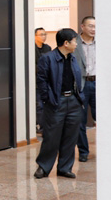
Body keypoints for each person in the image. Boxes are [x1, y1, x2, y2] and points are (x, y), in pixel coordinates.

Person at [34, 28, 83, 179]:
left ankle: (64, 168)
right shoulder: (47, 58)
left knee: (70, 137)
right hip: (56, 102)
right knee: (51, 137)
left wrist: (79, 97)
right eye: (74, 41)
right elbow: (41, 81)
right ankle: (43, 167)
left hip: (73, 101)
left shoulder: (73, 58)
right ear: (66, 43)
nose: (76, 44)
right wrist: (48, 99)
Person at [73, 16, 96, 162]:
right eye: (90, 26)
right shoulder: (74, 43)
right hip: (81, 85)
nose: (94, 29)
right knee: (80, 120)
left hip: (98, 84)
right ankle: (83, 151)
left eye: (95, 26)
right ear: (82, 27)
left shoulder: (102, 42)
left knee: (103, 118)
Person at [34, 27, 52, 133]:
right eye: (41, 34)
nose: (43, 37)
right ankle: (41, 127)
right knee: (39, 105)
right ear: (35, 36)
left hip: (46, 80)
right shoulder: (31, 48)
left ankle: (44, 125)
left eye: (45, 34)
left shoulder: (47, 48)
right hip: (35, 81)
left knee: (45, 105)